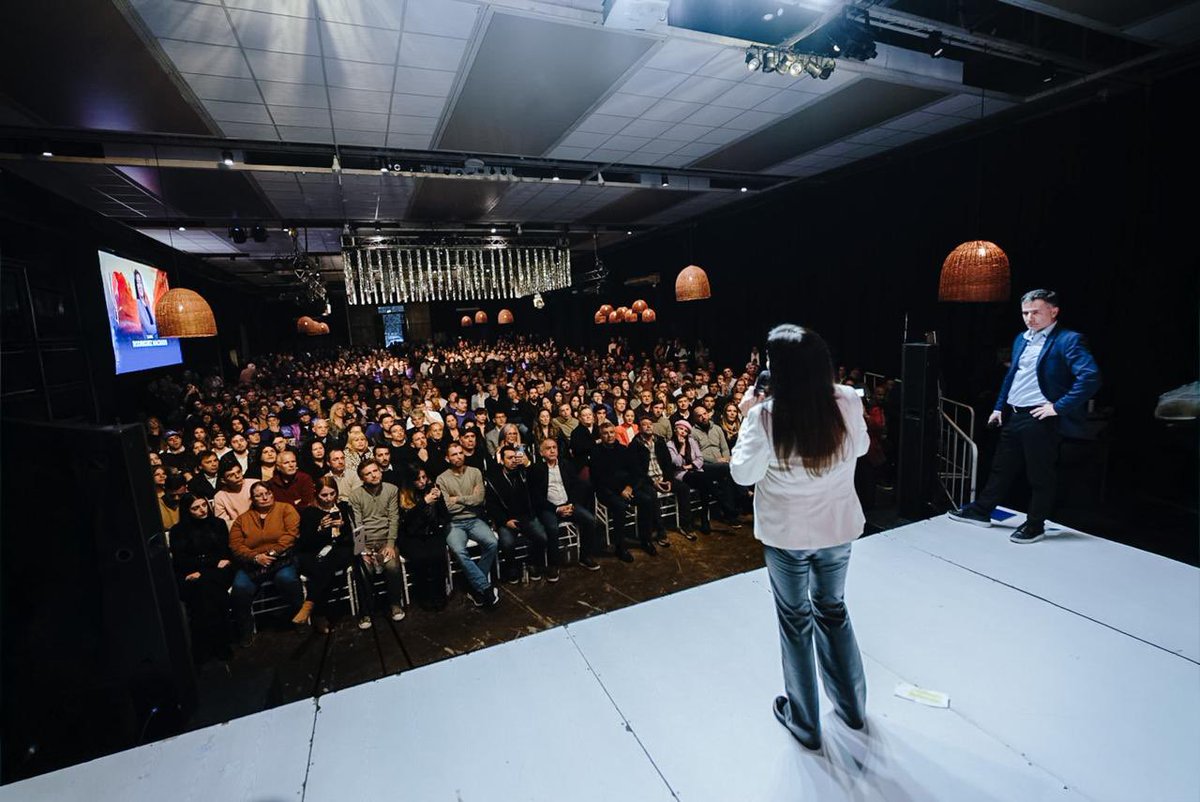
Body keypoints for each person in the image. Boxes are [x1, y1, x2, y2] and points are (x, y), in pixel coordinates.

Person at [730, 324, 870, 753]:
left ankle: (805, 723)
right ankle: (852, 708)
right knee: (833, 610)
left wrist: (746, 418)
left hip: (787, 536)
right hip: (837, 529)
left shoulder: (765, 416)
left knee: (796, 622)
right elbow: (861, 448)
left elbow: (742, 474)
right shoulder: (847, 400)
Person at [949, 289, 1101, 543]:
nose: (1029, 318)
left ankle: (1035, 524)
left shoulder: (1068, 340)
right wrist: (999, 408)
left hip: (1041, 416)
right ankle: (981, 511)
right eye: (1025, 313)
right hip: (1015, 414)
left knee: (1040, 475)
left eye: (1036, 312)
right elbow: (1013, 377)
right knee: (1001, 468)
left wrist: (1058, 407)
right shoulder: (1022, 338)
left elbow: (1090, 377)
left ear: (1053, 312)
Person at [228, 482, 303, 646]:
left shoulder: (286, 509)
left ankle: (299, 617)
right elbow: (236, 545)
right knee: (240, 587)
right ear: (252, 499)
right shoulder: (243, 519)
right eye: (259, 495)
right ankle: (245, 629)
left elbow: (291, 535)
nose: (264, 497)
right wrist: (255, 557)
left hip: (281, 559)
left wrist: (271, 554)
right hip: (253, 563)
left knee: (287, 579)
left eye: (267, 493)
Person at [169, 493, 235, 662]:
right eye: (196, 508)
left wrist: (204, 565)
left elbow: (224, 553)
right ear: (187, 510)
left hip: (215, 572)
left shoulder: (218, 524)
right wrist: (210, 563)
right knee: (203, 591)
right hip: (193, 573)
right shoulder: (178, 531)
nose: (202, 510)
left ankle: (210, 644)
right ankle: (217, 643)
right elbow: (181, 559)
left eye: (204, 505)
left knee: (208, 588)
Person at [436, 442, 500, 608]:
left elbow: (479, 500)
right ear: (447, 458)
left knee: (492, 543)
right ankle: (484, 587)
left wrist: (457, 498)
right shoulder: (442, 479)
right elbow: (447, 507)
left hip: (474, 519)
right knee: (459, 551)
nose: (458, 456)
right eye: (454, 454)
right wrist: (469, 498)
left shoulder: (475, 472)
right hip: (454, 523)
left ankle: (474, 585)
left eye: (460, 453)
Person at [295, 477, 363, 633]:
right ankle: (315, 610)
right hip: (317, 553)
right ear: (317, 495)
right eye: (324, 495)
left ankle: (312, 606)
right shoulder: (310, 513)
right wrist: (319, 529)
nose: (329, 498)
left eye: (332, 494)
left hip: (339, 550)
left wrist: (344, 527)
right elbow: (305, 543)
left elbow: (357, 534)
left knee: (330, 561)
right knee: (323, 567)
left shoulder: (344, 508)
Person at [486, 443, 559, 583]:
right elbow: (491, 505)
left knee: (542, 538)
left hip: (526, 516)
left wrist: (528, 464)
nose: (513, 460)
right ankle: (512, 567)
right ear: (502, 460)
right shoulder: (493, 478)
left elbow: (540, 478)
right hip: (507, 519)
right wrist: (504, 521)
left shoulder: (524, 472)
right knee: (507, 543)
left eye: (515, 457)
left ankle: (532, 562)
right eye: (509, 458)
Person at [528, 436, 602, 571]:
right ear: (541, 453)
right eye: (548, 448)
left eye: (554, 448)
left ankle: (585, 557)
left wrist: (571, 504)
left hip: (568, 504)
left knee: (590, 520)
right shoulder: (536, 469)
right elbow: (536, 497)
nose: (552, 451)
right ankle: (553, 565)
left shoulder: (566, 464)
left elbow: (576, 486)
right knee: (552, 529)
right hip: (549, 508)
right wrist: (556, 509)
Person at [347, 459, 406, 622]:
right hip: (366, 542)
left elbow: (394, 518)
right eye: (368, 473)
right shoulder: (355, 496)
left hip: (386, 539)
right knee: (364, 571)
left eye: (375, 471)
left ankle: (395, 604)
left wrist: (390, 544)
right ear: (362, 478)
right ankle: (366, 612)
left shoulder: (391, 489)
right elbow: (356, 524)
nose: (373, 475)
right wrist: (362, 550)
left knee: (392, 566)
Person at [396, 468, 452, 611]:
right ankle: (424, 595)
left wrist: (439, 501)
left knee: (437, 555)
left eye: (424, 477)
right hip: (411, 535)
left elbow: (445, 516)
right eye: (418, 479)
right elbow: (406, 522)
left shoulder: (432, 490)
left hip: (431, 532)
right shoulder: (403, 495)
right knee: (420, 558)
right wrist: (424, 502)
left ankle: (439, 593)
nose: (422, 481)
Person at [213, 459, 253, 529]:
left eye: (239, 472)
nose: (237, 476)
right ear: (223, 480)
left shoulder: (254, 484)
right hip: (238, 529)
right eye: (231, 475)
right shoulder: (219, 497)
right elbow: (224, 523)